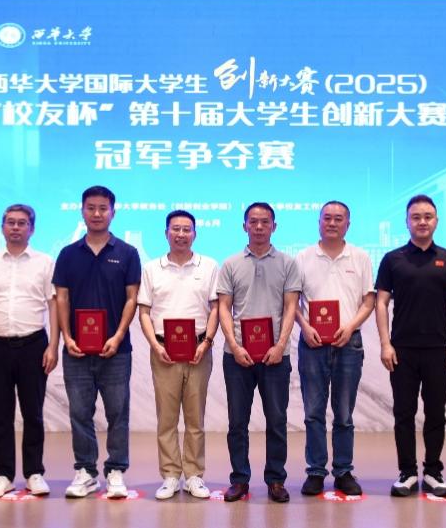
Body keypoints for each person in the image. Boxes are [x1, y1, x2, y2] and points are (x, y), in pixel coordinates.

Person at [375, 195, 446, 498]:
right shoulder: (393, 259)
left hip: (439, 350)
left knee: (436, 413)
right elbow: (381, 303)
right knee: (404, 413)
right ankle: (407, 472)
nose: (422, 222)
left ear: (436, 221)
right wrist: (385, 344)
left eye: (428, 216)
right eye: (416, 217)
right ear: (407, 222)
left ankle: (433, 472)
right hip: (402, 350)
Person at [54, 185, 141, 499]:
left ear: (113, 212)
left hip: (116, 350)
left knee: (118, 412)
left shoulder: (127, 253)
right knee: (80, 413)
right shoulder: (68, 254)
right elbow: (61, 298)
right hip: (76, 350)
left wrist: (118, 336)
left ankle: (116, 470)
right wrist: (67, 337)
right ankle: (86, 471)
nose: (96, 213)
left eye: (103, 208)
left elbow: (132, 298)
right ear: (82, 211)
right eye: (90, 207)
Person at [0, 204, 59, 498]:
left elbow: (53, 305)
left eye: (22, 223)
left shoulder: (44, 262)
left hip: (34, 344)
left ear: (32, 229)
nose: (16, 227)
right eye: (10, 222)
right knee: (0, 414)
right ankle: (4, 474)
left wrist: (53, 345)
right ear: (2, 228)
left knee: (33, 413)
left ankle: (34, 472)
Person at [217, 202, 300, 503]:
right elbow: (224, 308)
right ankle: (240, 479)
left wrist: (280, 345)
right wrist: (234, 345)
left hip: (276, 356)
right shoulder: (230, 264)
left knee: (276, 420)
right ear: (245, 226)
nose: (259, 227)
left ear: (274, 226)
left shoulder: (288, 263)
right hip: (237, 356)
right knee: (237, 422)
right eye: (253, 222)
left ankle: (276, 480)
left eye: (265, 222)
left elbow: (291, 306)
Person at [137, 210, 219, 500]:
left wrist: (206, 342)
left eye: (186, 229)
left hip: (198, 349)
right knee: (167, 418)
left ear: (195, 234)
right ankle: (171, 475)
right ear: (166, 233)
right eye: (176, 229)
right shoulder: (151, 268)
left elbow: (216, 308)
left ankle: (194, 475)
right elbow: (144, 312)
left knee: (196, 418)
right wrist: (155, 345)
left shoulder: (209, 266)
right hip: (164, 351)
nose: (181, 234)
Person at [295, 201, 375, 497]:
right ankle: (316, 471)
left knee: (344, 413)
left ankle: (343, 471)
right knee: (313, 412)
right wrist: (305, 326)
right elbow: (292, 302)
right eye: (326, 218)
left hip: (348, 343)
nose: (332, 223)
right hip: (312, 344)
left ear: (348, 224)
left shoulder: (360, 257)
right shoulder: (303, 257)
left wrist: (351, 326)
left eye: (338, 219)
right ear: (319, 222)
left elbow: (369, 301)